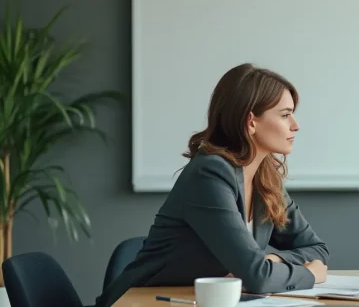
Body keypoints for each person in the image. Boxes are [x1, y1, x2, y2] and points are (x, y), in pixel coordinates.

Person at [95, 64, 329, 307]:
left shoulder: (265, 177)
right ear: (251, 121)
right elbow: (258, 277)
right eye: (284, 114)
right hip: (141, 302)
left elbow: (316, 249)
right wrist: (310, 274)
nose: (295, 125)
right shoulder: (209, 174)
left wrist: (273, 260)